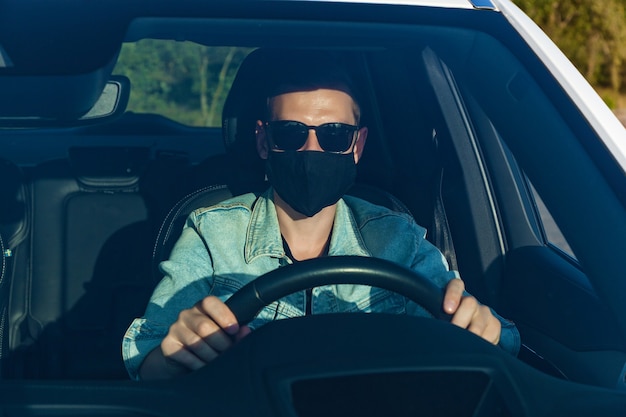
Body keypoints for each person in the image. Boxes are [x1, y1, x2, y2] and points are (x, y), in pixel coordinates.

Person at [122, 49, 520, 381]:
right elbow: (145, 361)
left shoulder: (399, 239)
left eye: (334, 135)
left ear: (357, 145)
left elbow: (497, 342)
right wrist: (177, 353)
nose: (312, 150)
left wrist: (478, 330)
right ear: (263, 141)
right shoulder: (211, 231)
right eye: (291, 134)